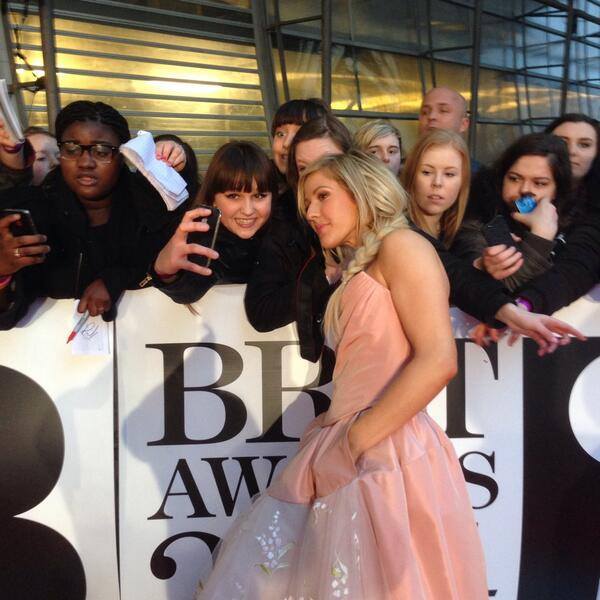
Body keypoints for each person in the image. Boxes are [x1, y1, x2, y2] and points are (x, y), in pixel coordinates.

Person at [197, 150, 488, 599]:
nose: (311, 212)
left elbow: (438, 360)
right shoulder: (360, 264)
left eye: (322, 196)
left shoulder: (403, 246)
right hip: (355, 446)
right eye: (306, 203)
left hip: (388, 453)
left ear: (360, 190)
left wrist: (353, 443)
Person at [0, 100, 189, 329]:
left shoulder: (151, 207)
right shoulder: (35, 214)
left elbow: (177, 279)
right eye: (72, 148)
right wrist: (3, 273)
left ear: (122, 155)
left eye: (101, 151)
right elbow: (7, 318)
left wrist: (117, 278)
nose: (85, 162)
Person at [244, 114, 353, 361]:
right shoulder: (284, 221)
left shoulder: (387, 224)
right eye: (304, 168)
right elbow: (261, 311)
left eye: (327, 163)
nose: (315, 176)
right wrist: (326, 276)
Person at [146, 141, 278, 303]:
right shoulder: (206, 240)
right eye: (234, 196)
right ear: (213, 199)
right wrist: (163, 270)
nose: (248, 210)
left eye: (259, 196)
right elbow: (189, 290)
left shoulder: (283, 231)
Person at [454, 132, 574, 292]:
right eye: (514, 179)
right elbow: (503, 291)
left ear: (557, 190)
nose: (525, 189)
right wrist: (541, 236)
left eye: (539, 183)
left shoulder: (576, 225)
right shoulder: (481, 220)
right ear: (501, 178)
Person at [401, 128, 469, 247]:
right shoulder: (399, 233)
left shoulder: (467, 233)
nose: (437, 182)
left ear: (463, 180)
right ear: (411, 175)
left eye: (449, 174)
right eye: (427, 172)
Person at [545, 113, 599, 211]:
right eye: (562, 142)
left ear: (597, 152)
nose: (571, 151)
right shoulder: (523, 190)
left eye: (584, 145)